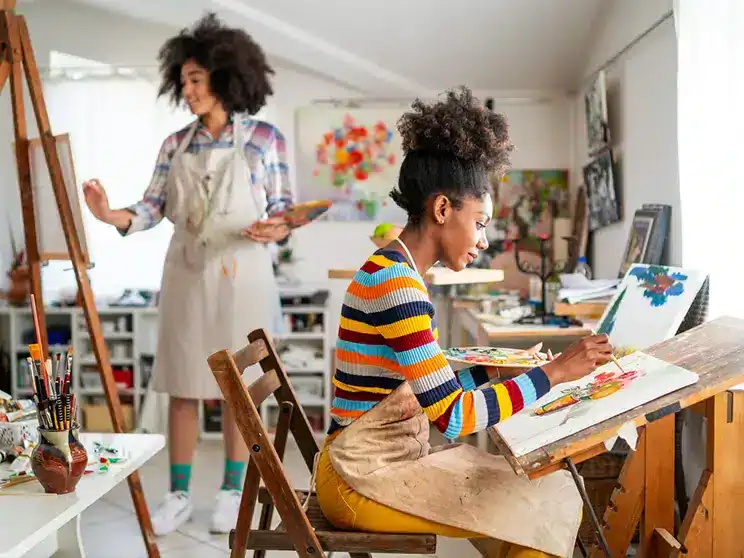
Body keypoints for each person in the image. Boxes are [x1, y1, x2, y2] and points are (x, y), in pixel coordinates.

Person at [315, 87, 614, 558]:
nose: (483, 240)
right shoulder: (397, 284)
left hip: (374, 461)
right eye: (479, 222)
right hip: (360, 477)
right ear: (441, 210)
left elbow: (426, 392)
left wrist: (498, 372)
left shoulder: (395, 271)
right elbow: (454, 418)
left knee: (538, 498)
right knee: (539, 504)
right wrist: (552, 374)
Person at [82, 13, 292, 535]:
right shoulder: (175, 144)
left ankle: (229, 491)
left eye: (196, 79)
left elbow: (285, 208)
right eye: (184, 80)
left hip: (243, 272)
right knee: (180, 385)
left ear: (225, 77)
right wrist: (112, 217)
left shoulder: (264, 138)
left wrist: (279, 227)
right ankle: (176, 493)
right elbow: (151, 208)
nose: (188, 89)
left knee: (239, 390)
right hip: (185, 270)